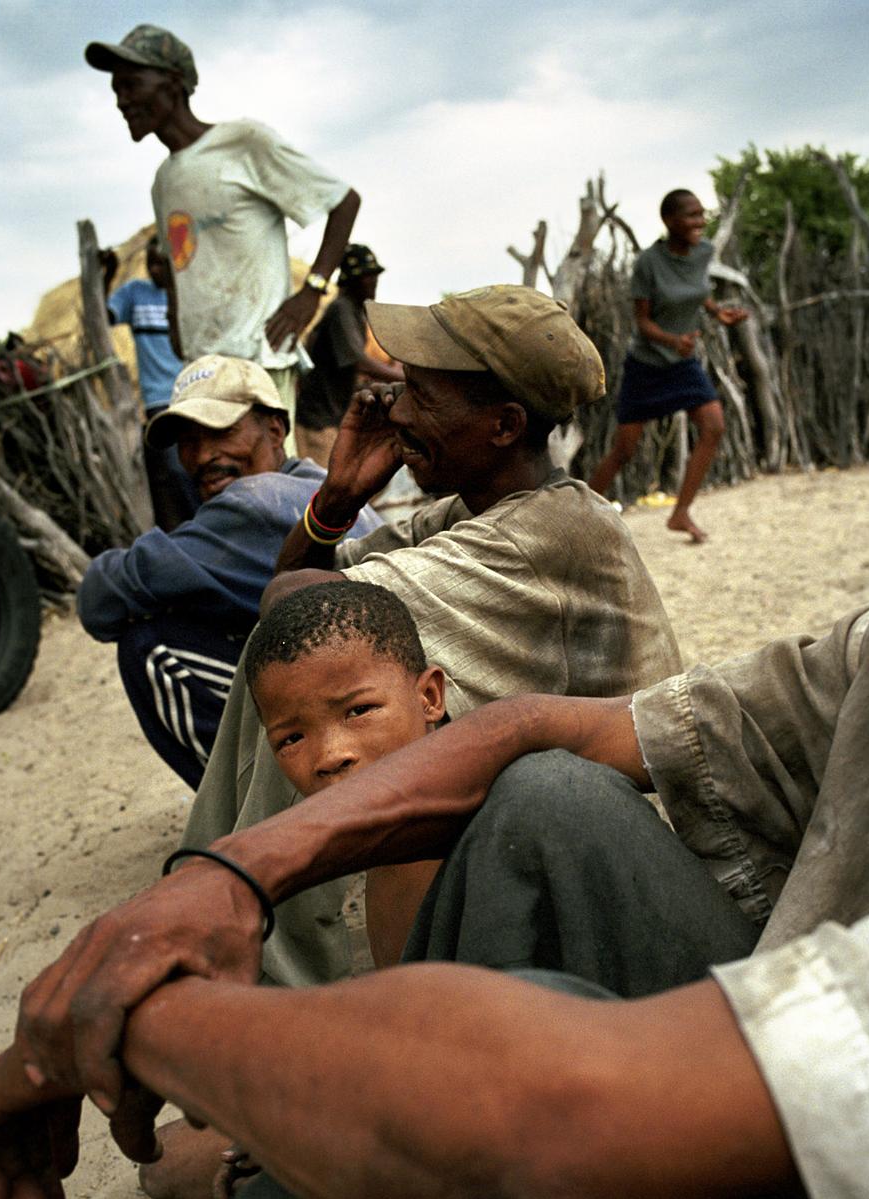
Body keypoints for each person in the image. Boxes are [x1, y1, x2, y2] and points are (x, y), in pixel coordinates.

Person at [0, 596, 869, 1199]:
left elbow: (550, 1122)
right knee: (547, 797)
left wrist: (132, 1018)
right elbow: (526, 728)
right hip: (737, 1119)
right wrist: (227, 877)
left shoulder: (550, 531)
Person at [181, 283, 682, 988]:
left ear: (504, 426)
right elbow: (292, 596)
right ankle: (224, 914)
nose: (397, 410)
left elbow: (298, 606)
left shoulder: (554, 533)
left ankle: (256, 963)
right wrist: (337, 498)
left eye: (421, 394)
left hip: (597, 860)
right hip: (536, 823)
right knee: (306, 670)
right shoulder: (468, 510)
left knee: (317, 678)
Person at [109, 581, 449, 1199]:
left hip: (450, 1169)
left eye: (358, 712)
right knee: (159, 1166)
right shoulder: (378, 847)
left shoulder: (451, 837)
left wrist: (297, 1159)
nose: (330, 756)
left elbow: (453, 1099)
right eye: (291, 739)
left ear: (431, 695)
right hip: (398, 1108)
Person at [76, 356, 383, 787]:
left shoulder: (255, 500)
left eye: (221, 431)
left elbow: (100, 597)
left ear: (275, 429)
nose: (202, 456)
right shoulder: (310, 481)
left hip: (359, 722)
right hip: (374, 701)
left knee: (147, 646)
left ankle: (250, 816)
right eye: (188, 441)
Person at [84, 24, 361, 433]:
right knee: (221, 491)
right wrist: (179, 323)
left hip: (258, 363)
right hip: (202, 373)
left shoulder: (243, 143)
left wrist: (312, 291)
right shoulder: (164, 181)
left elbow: (343, 201)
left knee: (267, 490)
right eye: (116, 91)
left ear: (173, 83)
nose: (121, 101)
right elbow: (178, 262)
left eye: (131, 85)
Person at [589, 189, 748, 543]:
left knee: (714, 427)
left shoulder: (704, 252)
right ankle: (576, 512)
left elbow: (696, 289)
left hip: (682, 363)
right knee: (624, 450)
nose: (699, 221)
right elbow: (642, 322)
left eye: (701, 214)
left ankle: (680, 512)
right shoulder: (648, 263)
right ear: (669, 221)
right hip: (646, 364)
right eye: (691, 215)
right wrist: (673, 340)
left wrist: (716, 312)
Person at [101, 235, 198, 531]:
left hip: (192, 394)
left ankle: (199, 526)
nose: (155, 270)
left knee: (193, 467)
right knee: (172, 469)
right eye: (150, 263)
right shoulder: (135, 293)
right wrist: (107, 276)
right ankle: (186, 530)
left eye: (161, 263)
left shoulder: (188, 295)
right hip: (158, 398)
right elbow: (103, 317)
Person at [295, 244, 403, 465]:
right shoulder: (342, 309)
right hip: (318, 420)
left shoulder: (356, 312)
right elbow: (357, 361)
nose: (373, 282)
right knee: (321, 488)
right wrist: (403, 377)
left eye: (375, 276)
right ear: (352, 280)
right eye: (367, 277)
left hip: (331, 416)